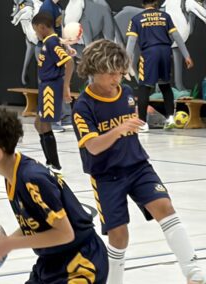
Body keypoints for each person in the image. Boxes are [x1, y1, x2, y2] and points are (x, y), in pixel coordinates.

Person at [72, 39, 204, 284]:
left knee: (165, 207)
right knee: (119, 235)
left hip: (138, 166)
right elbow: (93, 145)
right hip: (106, 176)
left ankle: (193, 273)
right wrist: (119, 129)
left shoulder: (128, 94)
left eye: (120, 73)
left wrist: (129, 127)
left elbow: (129, 127)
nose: (117, 79)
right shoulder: (83, 106)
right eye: (111, 74)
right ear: (94, 70)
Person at [0, 106, 108, 283]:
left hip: (80, 264)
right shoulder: (13, 175)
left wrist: (10, 244)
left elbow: (65, 234)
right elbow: (37, 224)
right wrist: (4, 244)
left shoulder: (32, 179)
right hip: (51, 262)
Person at [126, 0, 194, 132]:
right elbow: (177, 36)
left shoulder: (136, 19)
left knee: (144, 88)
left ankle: (143, 123)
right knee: (165, 85)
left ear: (142, 4)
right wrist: (186, 55)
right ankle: (170, 119)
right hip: (165, 52)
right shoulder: (165, 16)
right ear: (156, 2)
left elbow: (131, 42)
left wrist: (126, 61)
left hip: (149, 54)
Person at [31, 12, 74, 173]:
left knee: (45, 124)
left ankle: (54, 165)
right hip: (45, 86)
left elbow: (69, 63)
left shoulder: (51, 43)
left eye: (36, 30)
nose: (36, 34)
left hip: (51, 87)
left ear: (42, 27)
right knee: (38, 123)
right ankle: (50, 161)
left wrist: (66, 87)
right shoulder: (50, 42)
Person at [38, 0, 74, 133]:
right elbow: (45, 31)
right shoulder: (47, 6)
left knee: (59, 81)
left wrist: (67, 46)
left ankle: (63, 117)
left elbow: (59, 27)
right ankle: (52, 121)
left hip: (56, 46)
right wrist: (61, 44)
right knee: (50, 84)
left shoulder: (57, 6)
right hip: (48, 48)